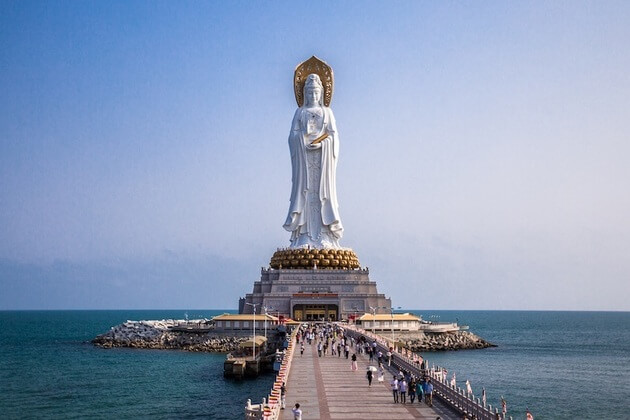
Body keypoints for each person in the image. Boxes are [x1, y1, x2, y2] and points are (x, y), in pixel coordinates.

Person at [283, 72, 343, 248]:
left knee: (323, 195)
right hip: (304, 162)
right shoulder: (300, 112)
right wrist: (301, 139)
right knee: (306, 194)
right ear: (304, 94)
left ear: (322, 93)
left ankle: (325, 235)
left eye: (316, 93)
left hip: (322, 162)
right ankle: (303, 237)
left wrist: (324, 144)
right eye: (309, 93)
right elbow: (292, 137)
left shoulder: (327, 112)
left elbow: (334, 137)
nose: (312, 96)